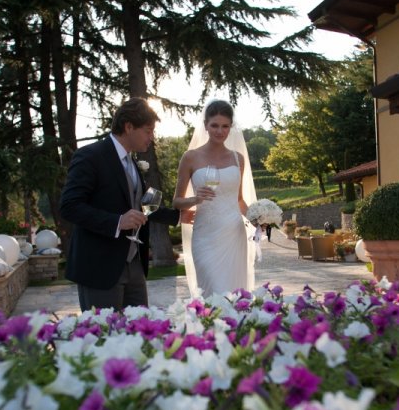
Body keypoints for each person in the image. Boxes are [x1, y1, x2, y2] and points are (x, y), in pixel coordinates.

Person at [60, 97, 181, 311]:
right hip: (100, 267)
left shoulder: (132, 162)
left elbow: (142, 205)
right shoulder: (90, 156)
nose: (152, 137)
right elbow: (69, 206)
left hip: (134, 265)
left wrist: (178, 217)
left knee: (140, 336)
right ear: (128, 127)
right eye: (148, 130)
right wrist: (117, 221)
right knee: (106, 337)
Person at [173, 100, 257, 297]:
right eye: (215, 125)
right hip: (205, 236)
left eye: (225, 126)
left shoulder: (238, 158)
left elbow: (239, 200)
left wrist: (258, 219)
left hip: (234, 235)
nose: (220, 131)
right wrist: (195, 199)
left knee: (235, 295)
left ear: (231, 127)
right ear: (206, 126)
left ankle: (237, 328)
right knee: (214, 291)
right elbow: (176, 201)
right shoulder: (191, 157)